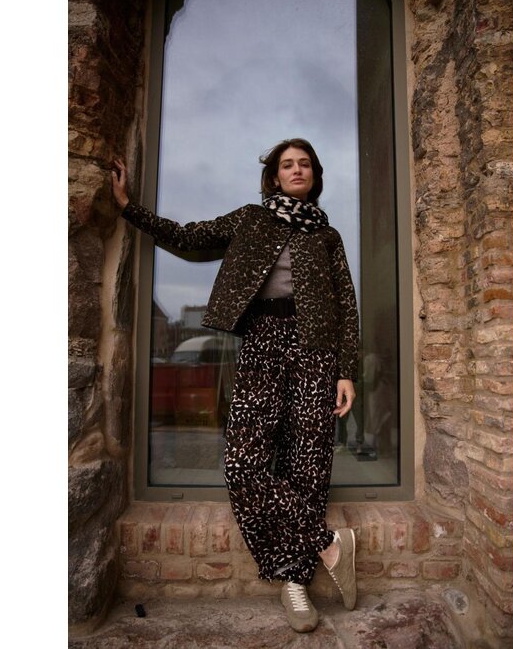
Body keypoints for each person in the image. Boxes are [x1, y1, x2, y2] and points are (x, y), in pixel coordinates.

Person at [111, 138, 359, 633]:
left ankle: (295, 584)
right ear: (274, 176)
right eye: (287, 164)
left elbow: (346, 304)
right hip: (263, 341)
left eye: (304, 164)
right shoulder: (252, 219)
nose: (296, 170)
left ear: (314, 175)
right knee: (243, 463)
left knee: (307, 466)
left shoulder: (327, 236)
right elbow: (189, 236)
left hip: (317, 350)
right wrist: (128, 208)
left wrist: (346, 370)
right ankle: (328, 544)